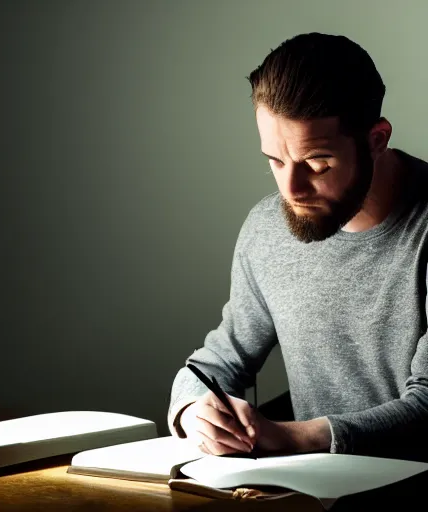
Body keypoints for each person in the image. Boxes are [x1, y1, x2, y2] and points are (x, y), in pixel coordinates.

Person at [167, 32, 428, 463]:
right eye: (275, 160)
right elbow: (217, 363)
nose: (291, 189)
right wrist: (195, 411)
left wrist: (290, 437)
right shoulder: (267, 228)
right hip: (309, 492)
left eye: (317, 164)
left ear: (376, 140)